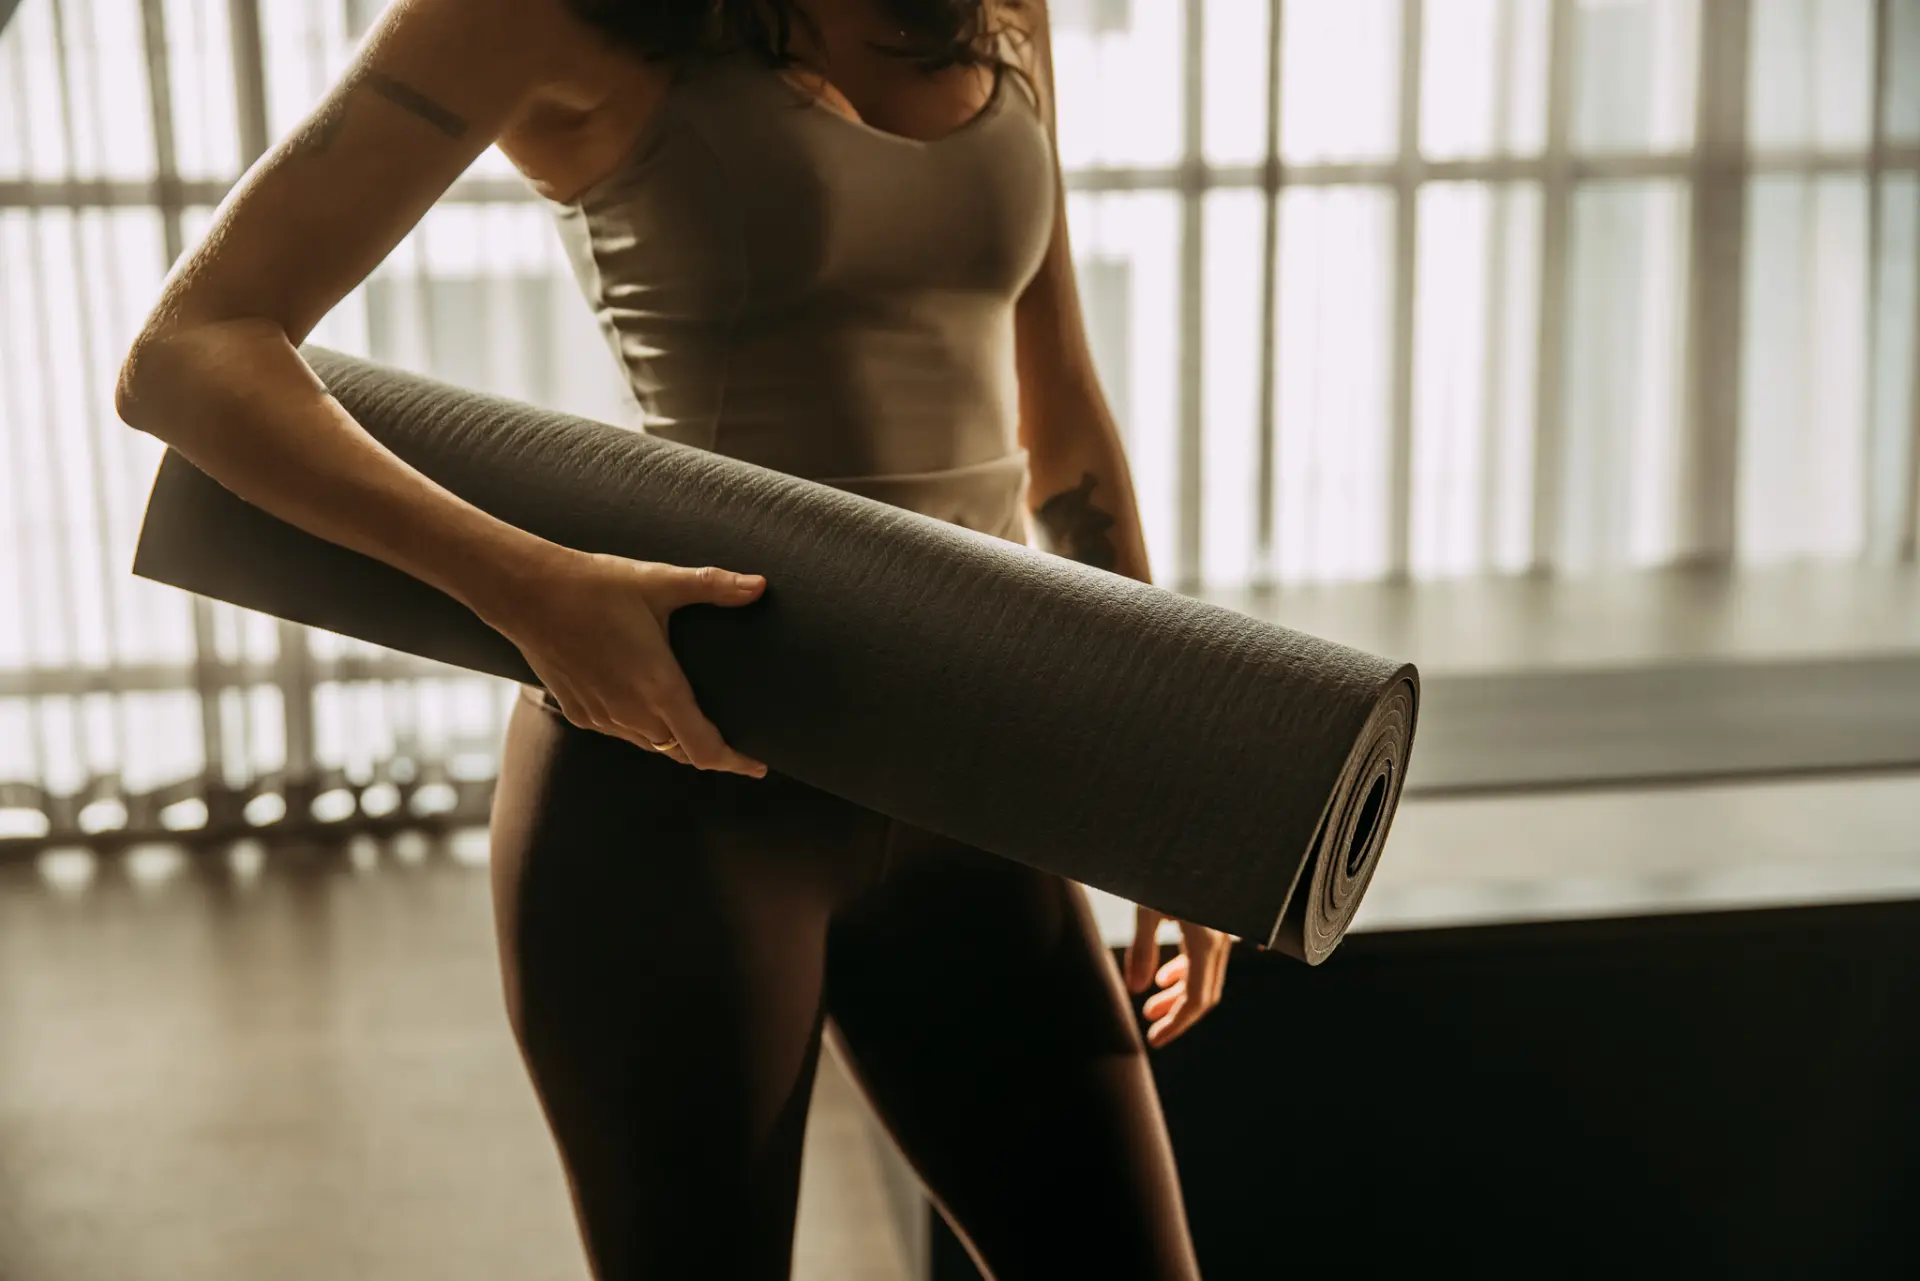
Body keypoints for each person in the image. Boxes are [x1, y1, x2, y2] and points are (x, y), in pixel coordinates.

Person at [114, 1, 1233, 1275]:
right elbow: (190, 353)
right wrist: (528, 587)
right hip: (677, 777)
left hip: (967, 767)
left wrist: (1162, 779)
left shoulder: (990, 6)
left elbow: (1062, 415)